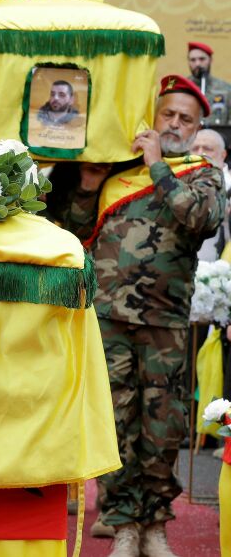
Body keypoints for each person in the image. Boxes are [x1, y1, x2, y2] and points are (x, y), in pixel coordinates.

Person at [63, 75, 225, 557]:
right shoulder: (116, 173)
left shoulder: (202, 174)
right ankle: (122, 525)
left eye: (185, 119)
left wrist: (157, 166)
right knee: (116, 426)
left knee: (162, 429)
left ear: (197, 127)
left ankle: (155, 526)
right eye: (167, 114)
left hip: (167, 325)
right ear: (153, 116)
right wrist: (90, 186)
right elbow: (71, 237)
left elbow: (199, 219)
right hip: (108, 320)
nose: (174, 124)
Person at [193, 129, 230, 262]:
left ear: (223, 154)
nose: (200, 153)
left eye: (207, 149)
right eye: (195, 148)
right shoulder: (176, 181)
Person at [187, 42, 231, 126]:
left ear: (210, 60)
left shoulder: (226, 89)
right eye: (193, 60)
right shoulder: (181, 88)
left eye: (202, 59)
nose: (197, 64)